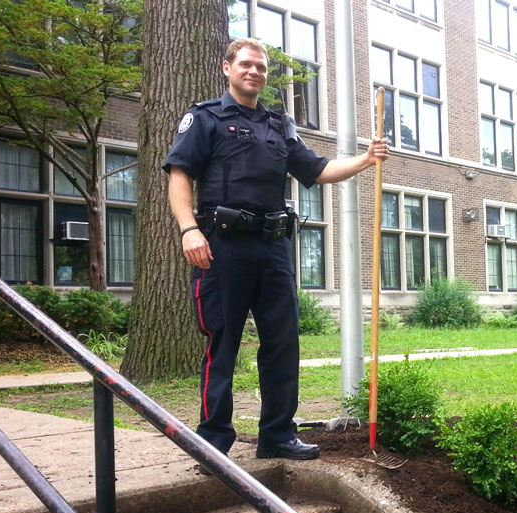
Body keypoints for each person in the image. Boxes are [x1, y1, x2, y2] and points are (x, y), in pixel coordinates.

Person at [163, 38, 388, 462]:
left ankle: (278, 436)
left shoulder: (279, 124)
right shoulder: (205, 118)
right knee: (222, 343)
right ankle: (213, 442)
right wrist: (189, 229)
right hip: (222, 247)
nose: (254, 72)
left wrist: (365, 159)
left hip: (274, 249)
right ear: (227, 67)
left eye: (262, 67)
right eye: (246, 64)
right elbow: (179, 175)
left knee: (283, 343)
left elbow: (318, 169)